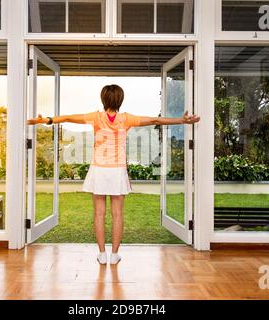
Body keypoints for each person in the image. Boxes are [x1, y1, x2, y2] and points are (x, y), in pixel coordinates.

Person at [28, 84, 200, 265]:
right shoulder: (126, 119)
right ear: (120, 100)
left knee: (98, 214)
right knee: (117, 214)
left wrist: (47, 120)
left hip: (99, 170)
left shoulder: (96, 117)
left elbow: (70, 117)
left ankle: (102, 254)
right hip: (117, 171)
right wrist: (182, 120)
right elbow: (155, 121)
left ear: (103, 99)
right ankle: (114, 255)